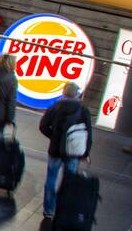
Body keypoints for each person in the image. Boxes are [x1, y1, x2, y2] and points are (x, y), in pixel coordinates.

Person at [38, 82, 93, 219]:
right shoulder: (83, 110)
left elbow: (43, 126)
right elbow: (88, 134)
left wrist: (54, 137)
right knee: (69, 181)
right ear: (77, 94)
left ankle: (48, 209)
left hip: (55, 150)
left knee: (51, 179)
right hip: (73, 152)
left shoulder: (55, 107)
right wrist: (85, 153)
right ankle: (63, 209)